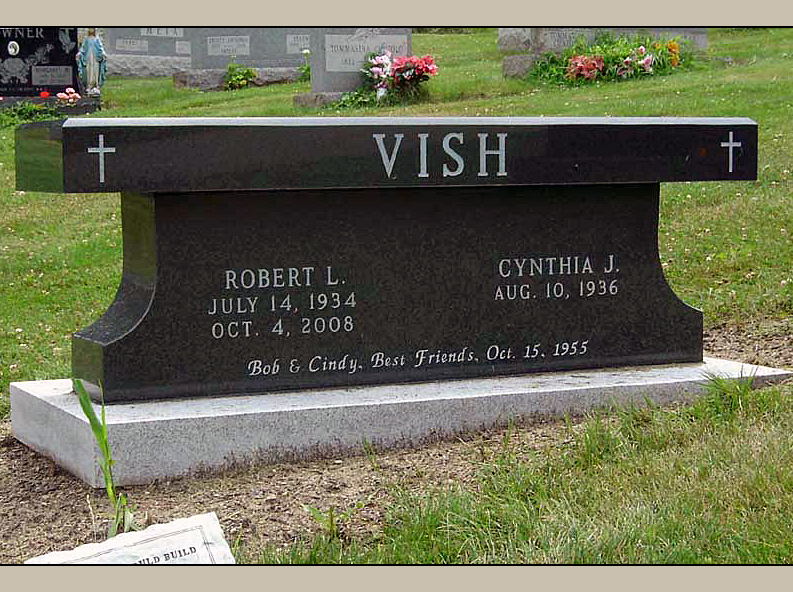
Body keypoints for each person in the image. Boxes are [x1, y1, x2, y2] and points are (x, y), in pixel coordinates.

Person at [77, 29, 107, 97]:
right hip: (88, 59)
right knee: (88, 72)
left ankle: (96, 86)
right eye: (90, 28)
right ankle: (88, 86)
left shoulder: (97, 39)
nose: (91, 30)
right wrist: (79, 53)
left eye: (92, 29)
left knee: (95, 72)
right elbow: (82, 48)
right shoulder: (86, 39)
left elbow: (101, 47)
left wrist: (103, 53)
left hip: (95, 58)